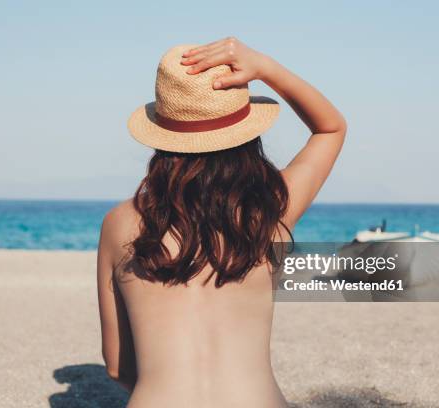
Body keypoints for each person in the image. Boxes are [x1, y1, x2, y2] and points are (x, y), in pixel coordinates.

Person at [97, 37, 346, 407]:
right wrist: (265, 67)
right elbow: (331, 128)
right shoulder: (268, 211)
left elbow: (119, 368)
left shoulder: (120, 223)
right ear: (246, 133)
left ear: (163, 136)